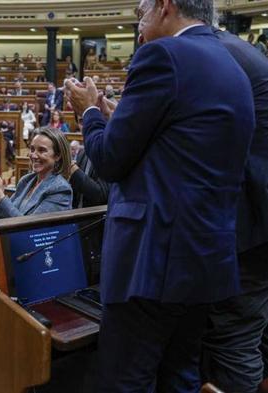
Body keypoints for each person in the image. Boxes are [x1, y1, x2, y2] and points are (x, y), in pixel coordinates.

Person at [63, 0, 255, 389]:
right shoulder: (232, 64)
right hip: (203, 260)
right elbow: (179, 149)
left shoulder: (163, 55)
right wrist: (118, 117)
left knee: (126, 381)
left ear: (166, 6)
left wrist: (89, 113)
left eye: (141, 12)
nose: (139, 25)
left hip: (151, 262)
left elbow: (110, 159)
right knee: (180, 377)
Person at [200, 27, 268, 393]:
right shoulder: (240, 51)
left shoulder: (213, 55)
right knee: (250, 332)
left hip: (247, 229)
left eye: (143, 14)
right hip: (257, 224)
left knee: (233, 338)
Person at [0, 127, 72, 219]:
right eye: (32, 149)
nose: (33, 155)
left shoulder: (60, 189)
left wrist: (0, 196)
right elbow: (4, 218)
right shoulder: (26, 180)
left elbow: (31, 229)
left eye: (41, 150)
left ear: (57, 156)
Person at [69, 141, 109, 209]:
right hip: (75, 213)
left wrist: (73, 169)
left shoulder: (109, 154)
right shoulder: (83, 152)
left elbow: (100, 196)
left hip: (96, 216)